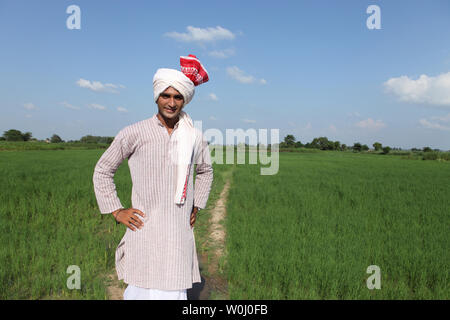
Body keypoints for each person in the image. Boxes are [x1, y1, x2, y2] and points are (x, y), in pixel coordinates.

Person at [92, 54, 213, 300]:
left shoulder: (194, 136)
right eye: (166, 96)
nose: (171, 102)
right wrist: (117, 211)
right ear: (156, 96)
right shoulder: (134, 133)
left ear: (185, 100)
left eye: (178, 97)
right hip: (144, 229)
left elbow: (205, 171)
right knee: (140, 289)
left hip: (178, 230)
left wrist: (196, 205)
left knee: (174, 291)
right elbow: (103, 170)